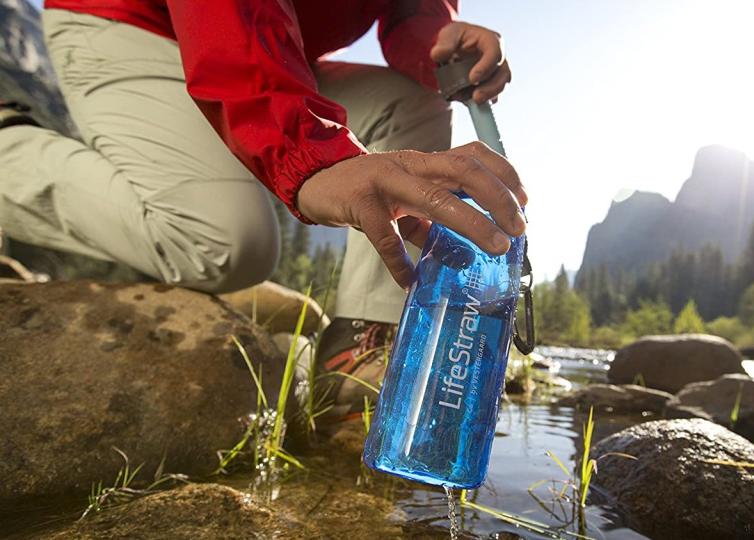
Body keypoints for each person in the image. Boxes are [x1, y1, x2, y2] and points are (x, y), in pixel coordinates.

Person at [0, 0, 526, 419]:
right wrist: (310, 156)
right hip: (137, 24)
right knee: (225, 243)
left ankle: (362, 348)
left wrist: (435, 39)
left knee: (408, 102)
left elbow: (408, 8)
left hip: (271, 46)